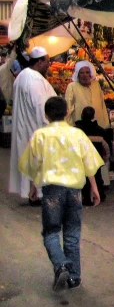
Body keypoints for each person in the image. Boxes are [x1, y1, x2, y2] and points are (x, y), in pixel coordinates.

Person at [18, 96, 103, 292]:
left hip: (52, 192)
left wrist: (33, 187)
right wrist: (94, 188)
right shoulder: (77, 134)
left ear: (46, 116)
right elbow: (88, 163)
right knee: (72, 233)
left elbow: (33, 165)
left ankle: (60, 264)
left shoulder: (40, 135)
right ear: (67, 113)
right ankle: (74, 278)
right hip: (75, 192)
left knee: (51, 232)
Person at [8, 47, 56, 205]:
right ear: (40, 61)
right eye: (47, 62)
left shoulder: (22, 75)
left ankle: (32, 193)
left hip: (25, 127)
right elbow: (40, 106)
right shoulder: (34, 79)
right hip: (36, 127)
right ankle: (37, 194)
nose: (49, 65)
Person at [75, 106, 109, 205]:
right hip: (96, 158)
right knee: (98, 177)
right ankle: (100, 195)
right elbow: (106, 147)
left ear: (81, 115)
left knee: (84, 179)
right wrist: (104, 159)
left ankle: (86, 198)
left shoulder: (76, 130)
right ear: (93, 116)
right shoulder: (101, 131)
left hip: (81, 158)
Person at [65, 60, 110, 129]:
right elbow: (68, 108)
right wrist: (69, 127)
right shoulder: (72, 86)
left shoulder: (96, 84)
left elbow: (102, 105)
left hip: (97, 125)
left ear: (90, 74)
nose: (85, 75)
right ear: (78, 74)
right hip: (79, 127)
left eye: (87, 72)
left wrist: (106, 124)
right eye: (82, 73)